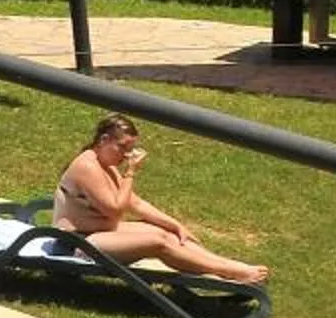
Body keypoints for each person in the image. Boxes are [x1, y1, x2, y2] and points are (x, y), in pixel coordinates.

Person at [53, 114, 267, 284]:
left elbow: (134, 203)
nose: (127, 155)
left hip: (99, 233)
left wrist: (175, 225)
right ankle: (228, 271)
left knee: (168, 234)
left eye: (131, 149)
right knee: (156, 243)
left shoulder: (104, 164)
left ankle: (229, 266)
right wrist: (130, 173)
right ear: (104, 140)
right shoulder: (87, 166)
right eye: (123, 148)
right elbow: (115, 210)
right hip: (76, 243)